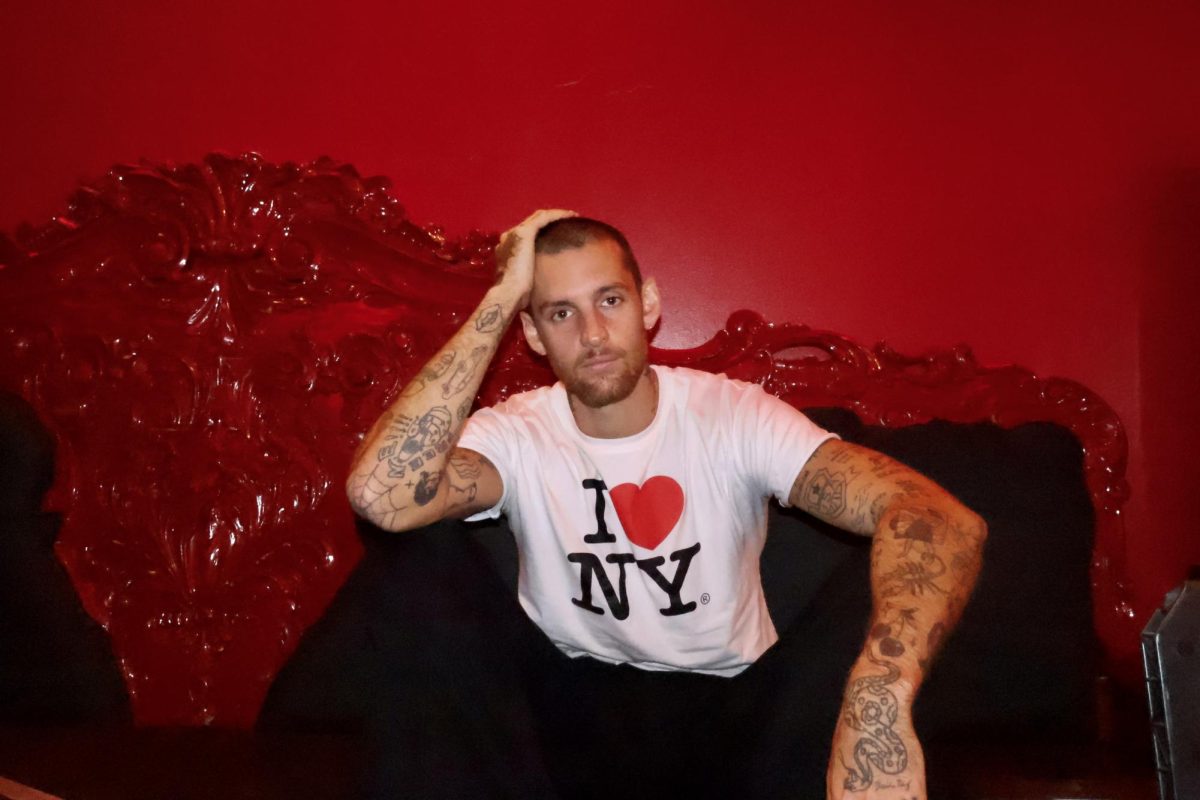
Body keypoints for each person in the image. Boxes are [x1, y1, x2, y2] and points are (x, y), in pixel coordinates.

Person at [346, 209, 987, 800]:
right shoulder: (517, 431)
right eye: (560, 313)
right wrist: (499, 296)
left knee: (900, 568)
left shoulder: (731, 415)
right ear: (534, 335)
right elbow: (382, 497)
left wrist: (879, 696)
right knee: (420, 547)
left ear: (647, 304)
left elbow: (943, 518)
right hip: (562, 714)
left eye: (610, 300)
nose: (593, 333)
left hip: (736, 715)